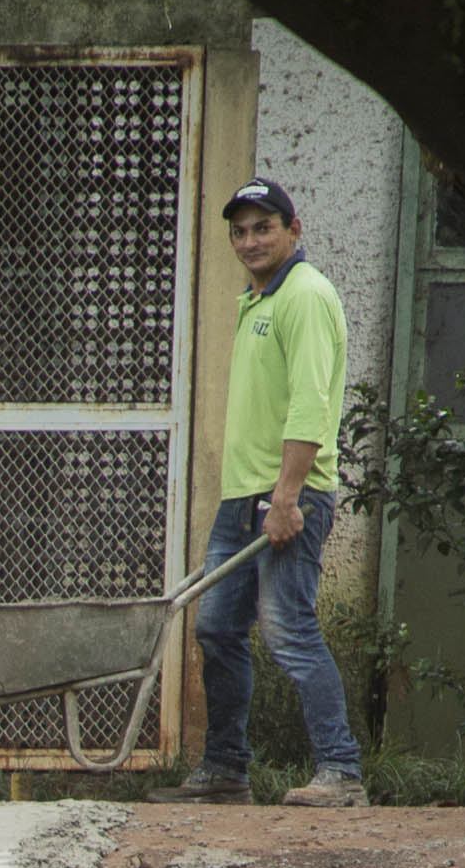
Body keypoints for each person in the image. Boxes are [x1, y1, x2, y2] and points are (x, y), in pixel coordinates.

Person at [148, 177, 366, 808]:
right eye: (240, 231)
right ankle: (224, 772)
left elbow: (310, 405)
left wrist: (289, 497)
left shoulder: (306, 295)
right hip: (242, 499)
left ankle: (342, 772)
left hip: (286, 498)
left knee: (289, 630)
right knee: (215, 626)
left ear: (294, 230)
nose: (250, 240)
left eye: (263, 227)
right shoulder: (258, 300)